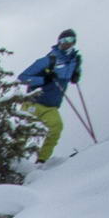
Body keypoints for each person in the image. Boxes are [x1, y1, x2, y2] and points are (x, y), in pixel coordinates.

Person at [17, 29, 82, 164]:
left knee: (56, 128)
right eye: (64, 40)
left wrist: (76, 74)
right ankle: (13, 161)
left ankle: (42, 161)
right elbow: (22, 78)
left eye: (71, 40)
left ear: (74, 42)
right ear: (58, 42)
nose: (67, 44)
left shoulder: (74, 61)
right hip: (33, 102)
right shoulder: (48, 60)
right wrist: (43, 80)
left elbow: (71, 76)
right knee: (23, 134)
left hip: (51, 106)